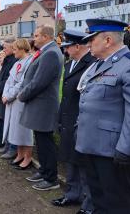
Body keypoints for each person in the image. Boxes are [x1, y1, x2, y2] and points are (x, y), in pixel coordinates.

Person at [75, 19, 130, 213]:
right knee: (99, 201)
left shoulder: (128, 65)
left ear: (107, 40)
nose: (88, 44)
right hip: (92, 146)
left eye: (92, 39)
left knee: (117, 204)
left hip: (113, 152)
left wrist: (125, 150)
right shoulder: (100, 65)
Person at [51, 30, 95, 214]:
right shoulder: (69, 65)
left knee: (84, 165)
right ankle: (71, 194)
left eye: (67, 47)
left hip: (82, 122)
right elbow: (65, 96)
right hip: (68, 120)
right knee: (70, 160)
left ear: (77, 46)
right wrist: (59, 119)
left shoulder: (91, 64)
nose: (65, 50)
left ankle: (88, 203)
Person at [18, 25, 64, 191]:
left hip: (43, 105)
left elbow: (39, 82)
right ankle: (44, 170)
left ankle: (51, 178)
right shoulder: (47, 51)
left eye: (36, 35)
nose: (34, 38)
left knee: (46, 142)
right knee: (41, 140)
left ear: (45, 36)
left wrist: (22, 95)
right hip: (39, 105)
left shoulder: (51, 53)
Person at [1, 39, 33, 170]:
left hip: (20, 100)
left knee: (24, 130)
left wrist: (9, 96)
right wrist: (5, 94)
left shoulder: (30, 62)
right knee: (15, 128)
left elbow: (23, 83)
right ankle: (19, 154)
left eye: (15, 49)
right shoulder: (17, 63)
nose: (13, 52)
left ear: (22, 49)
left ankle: (28, 157)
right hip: (11, 100)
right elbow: (9, 80)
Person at [0, 39, 18, 159]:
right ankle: (7, 145)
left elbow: (9, 78)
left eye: (5, 48)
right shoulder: (7, 60)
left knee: (10, 123)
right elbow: (0, 76)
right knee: (5, 120)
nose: (3, 50)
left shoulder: (14, 60)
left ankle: (12, 147)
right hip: (2, 93)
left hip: (7, 94)